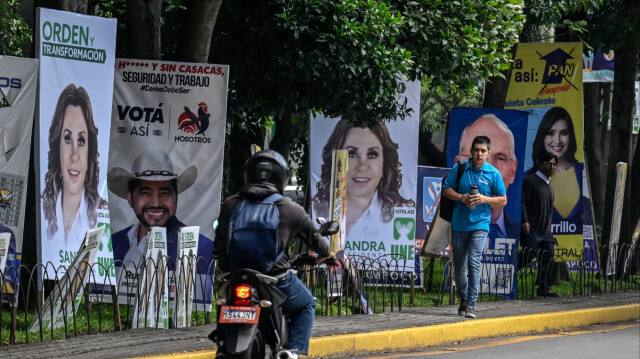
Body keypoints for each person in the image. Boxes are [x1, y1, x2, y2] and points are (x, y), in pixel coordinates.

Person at [215, 150, 335, 358]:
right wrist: (327, 254)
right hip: (274, 279)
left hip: (235, 276)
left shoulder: (231, 204)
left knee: (225, 300)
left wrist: (227, 267)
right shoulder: (289, 208)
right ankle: (293, 351)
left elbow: (219, 245)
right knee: (307, 304)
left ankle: (221, 342)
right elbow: (315, 240)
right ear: (282, 176)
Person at [108, 150, 214, 298]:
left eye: (165, 193)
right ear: (130, 199)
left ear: (176, 197)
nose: (156, 203)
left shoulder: (200, 248)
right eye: (146, 193)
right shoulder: (112, 244)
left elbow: (198, 302)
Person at [312, 119, 415, 239]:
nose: (362, 166)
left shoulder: (402, 213)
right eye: (352, 154)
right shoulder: (315, 212)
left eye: (372, 154)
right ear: (335, 160)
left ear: (385, 164)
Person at [442, 135, 507, 318]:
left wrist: (484, 199)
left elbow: (503, 199)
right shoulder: (460, 168)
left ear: (489, 153)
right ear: (471, 151)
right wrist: (461, 197)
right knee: (459, 269)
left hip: (480, 225)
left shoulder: (493, 173)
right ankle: (463, 297)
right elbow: (446, 189)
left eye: (483, 151)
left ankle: (471, 304)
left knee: (474, 262)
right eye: (476, 150)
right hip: (459, 224)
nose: (479, 154)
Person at [41, 84, 107, 257]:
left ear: (90, 150)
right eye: (68, 139)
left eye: (82, 141)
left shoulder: (103, 214)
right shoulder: (41, 208)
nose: (74, 155)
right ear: (57, 146)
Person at [454, 114, 519, 240]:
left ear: (513, 170)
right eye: (474, 156)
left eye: (500, 158)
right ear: (458, 166)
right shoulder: (449, 225)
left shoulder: (517, 233)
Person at [529, 106, 583, 228]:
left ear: (571, 136)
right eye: (550, 133)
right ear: (542, 136)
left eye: (564, 133)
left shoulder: (583, 172)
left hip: (576, 246)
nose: (557, 140)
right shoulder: (527, 177)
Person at [521, 151, 559, 297]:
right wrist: (524, 220)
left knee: (549, 256)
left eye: (555, 164)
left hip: (545, 231)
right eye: (550, 163)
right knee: (528, 255)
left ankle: (544, 288)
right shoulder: (530, 181)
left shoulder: (550, 187)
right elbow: (523, 202)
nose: (553, 167)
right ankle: (507, 276)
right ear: (541, 164)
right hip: (531, 228)